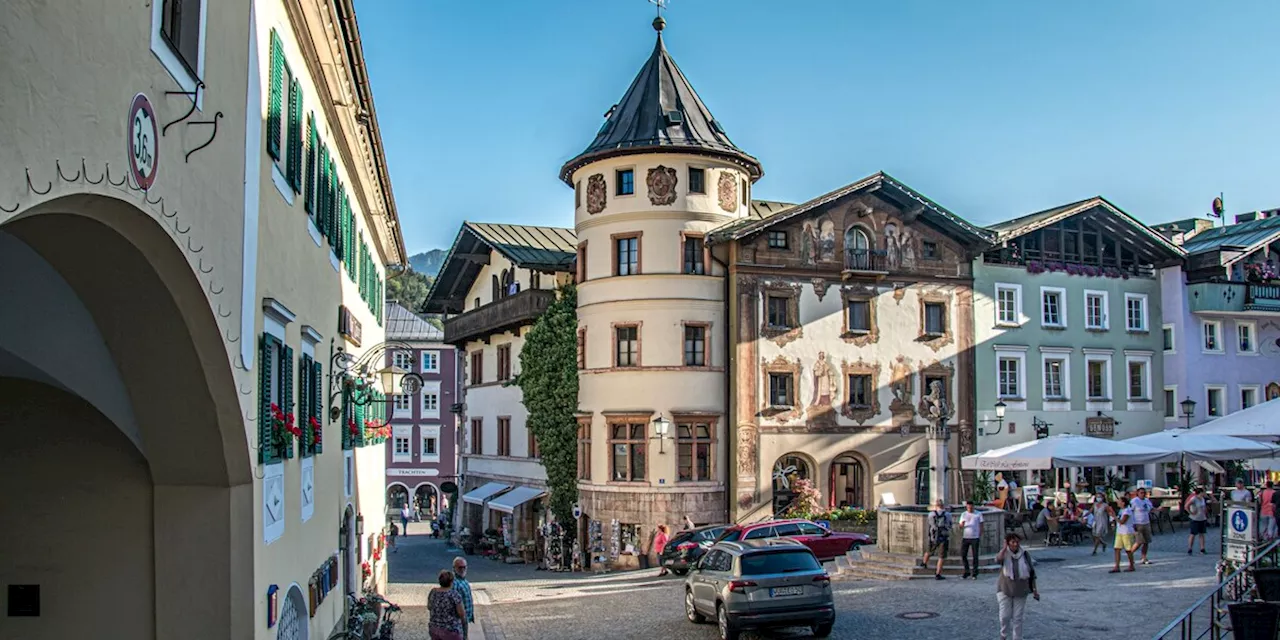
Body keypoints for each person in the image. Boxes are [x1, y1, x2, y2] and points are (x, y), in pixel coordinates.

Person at [995, 533, 1039, 640]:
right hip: (1005, 588)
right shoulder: (1005, 554)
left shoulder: (1024, 554)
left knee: (1017, 617)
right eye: (1013, 542)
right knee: (1005, 616)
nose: (1015, 544)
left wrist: (1034, 590)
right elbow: (998, 559)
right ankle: (1004, 634)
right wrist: (1004, 548)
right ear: (1008, 543)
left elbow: (1031, 573)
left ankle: (1017, 638)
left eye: (1017, 542)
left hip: (1021, 589)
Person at [428, 570, 466, 640]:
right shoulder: (454, 595)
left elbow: (429, 607)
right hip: (451, 630)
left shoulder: (433, 592)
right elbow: (461, 613)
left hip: (434, 629)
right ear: (451, 582)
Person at [921, 498, 952, 580]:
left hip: (933, 536)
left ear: (936, 505)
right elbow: (949, 525)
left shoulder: (931, 514)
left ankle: (924, 562)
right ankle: (938, 573)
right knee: (941, 556)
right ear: (943, 506)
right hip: (943, 536)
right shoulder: (948, 514)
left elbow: (930, 524)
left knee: (929, 550)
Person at [958, 500, 984, 579]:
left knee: (975, 555)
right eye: (968, 507)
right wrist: (961, 525)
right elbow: (960, 525)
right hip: (966, 537)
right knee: (963, 554)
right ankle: (967, 571)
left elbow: (981, 524)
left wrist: (980, 533)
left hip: (975, 537)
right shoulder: (963, 514)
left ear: (973, 506)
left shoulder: (978, 514)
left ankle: (975, 573)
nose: (969, 508)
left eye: (971, 507)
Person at [1111, 496, 1137, 573]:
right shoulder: (1121, 510)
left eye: (1119, 501)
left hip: (1127, 532)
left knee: (1128, 550)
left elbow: (1122, 521)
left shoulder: (1127, 511)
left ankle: (1131, 565)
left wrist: (1114, 517)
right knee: (1117, 548)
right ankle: (1117, 566)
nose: (1117, 502)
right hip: (1120, 532)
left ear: (1123, 502)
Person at [1130, 488, 1155, 565]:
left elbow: (1151, 509)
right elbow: (1130, 512)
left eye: (1144, 493)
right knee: (1139, 542)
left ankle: (1144, 557)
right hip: (1138, 523)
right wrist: (1132, 523)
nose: (1143, 494)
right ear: (1138, 493)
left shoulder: (1147, 501)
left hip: (1146, 522)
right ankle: (1130, 554)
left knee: (1146, 542)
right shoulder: (1134, 501)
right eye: (1141, 493)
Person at [451, 557, 474, 639]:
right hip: (458, 620)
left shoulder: (463, 580)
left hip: (465, 618)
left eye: (464, 567)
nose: (463, 569)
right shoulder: (454, 583)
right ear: (454, 568)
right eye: (460, 567)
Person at [1185, 487, 1209, 555]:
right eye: (1203, 492)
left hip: (1202, 517)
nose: (1204, 493)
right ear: (1200, 492)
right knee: (1193, 533)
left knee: (1202, 533)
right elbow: (1186, 506)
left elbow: (1204, 507)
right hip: (1195, 518)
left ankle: (1202, 548)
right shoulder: (1194, 499)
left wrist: (1205, 513)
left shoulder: (1202, 499)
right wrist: (1191, 512)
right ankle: (1190, 548)